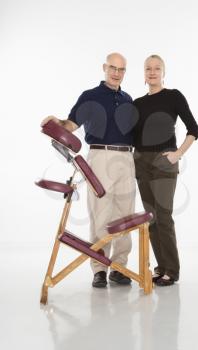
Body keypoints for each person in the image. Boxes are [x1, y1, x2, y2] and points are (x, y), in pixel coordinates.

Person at [41, 53, 137, 288]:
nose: (117, 73)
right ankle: (99, 268)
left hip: (126, 158)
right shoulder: (90, 96)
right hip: (100, 156)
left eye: (121, 69)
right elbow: (71, 125)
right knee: (101, 214)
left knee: (126, 215)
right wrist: (57, 122)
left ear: (125, 72)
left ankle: (119, 267)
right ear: (104, 68)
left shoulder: (128, 99)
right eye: (113, 68)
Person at [133, 54, 198, 286]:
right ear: (143, 74)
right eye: (148, 68)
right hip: (140, 162)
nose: (152, 72)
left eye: (157, 68)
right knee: (151, 219)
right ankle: (161, 268)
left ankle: (172, 270)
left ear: (163, 72)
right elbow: (131, 135)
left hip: (164, 162)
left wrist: (177, 154)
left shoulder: (174, 96)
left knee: (163, 217)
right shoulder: (137, 104)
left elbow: (194, 129)